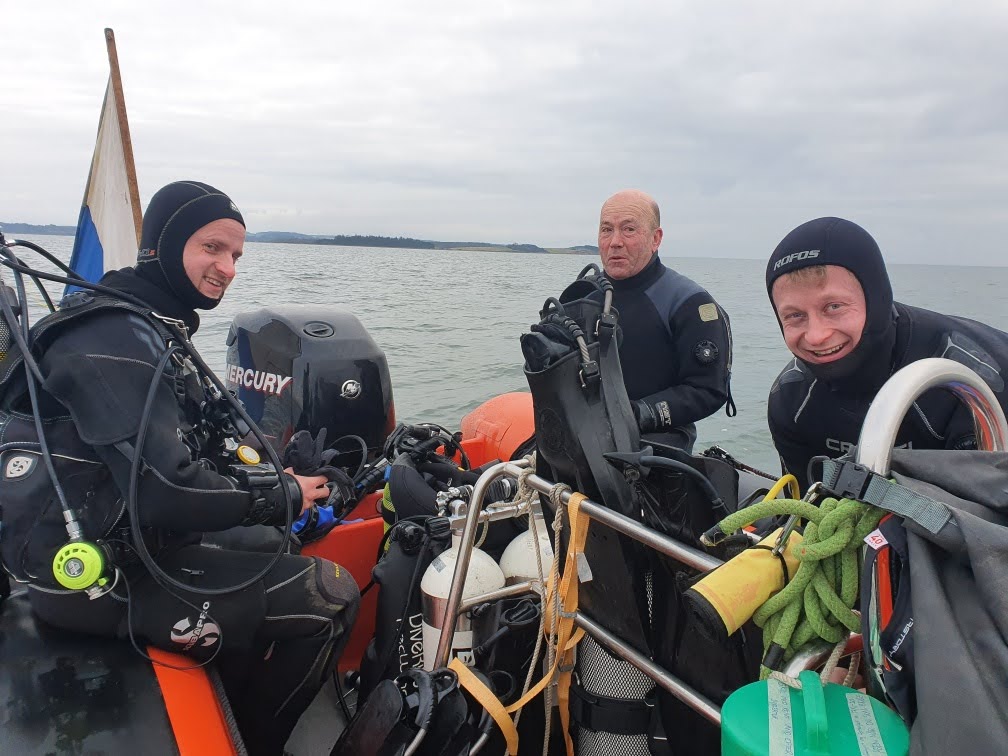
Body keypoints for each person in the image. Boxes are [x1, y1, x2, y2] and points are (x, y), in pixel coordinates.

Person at [0, 181, 360, 755]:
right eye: (211, 247)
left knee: (273, 541)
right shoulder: (111, 338)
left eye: (236, 254)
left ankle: (227, 692)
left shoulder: (145, 323)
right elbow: (167, 489)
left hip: (132, 539)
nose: (228, 268)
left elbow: (188, 453)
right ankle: (257, 743)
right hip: (91, 580)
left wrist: (276, 473)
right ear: (162, 247)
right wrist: (283, 495)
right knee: (331, 597)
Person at [765, 216, 1008, 491]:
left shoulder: (971, 379)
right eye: (795, 315)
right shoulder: (791, 399)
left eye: (833, 307)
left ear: (876, 299)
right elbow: (805, 506)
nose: (816, 335)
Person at [596, 189, 734, 450]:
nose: (615, 242)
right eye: (606, 230)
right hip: (586, 434)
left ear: (655, 238)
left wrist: (638, 414)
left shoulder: (689, 302)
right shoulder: (580, 296)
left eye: (628, 230)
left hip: (656, 445)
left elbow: (709, 390)